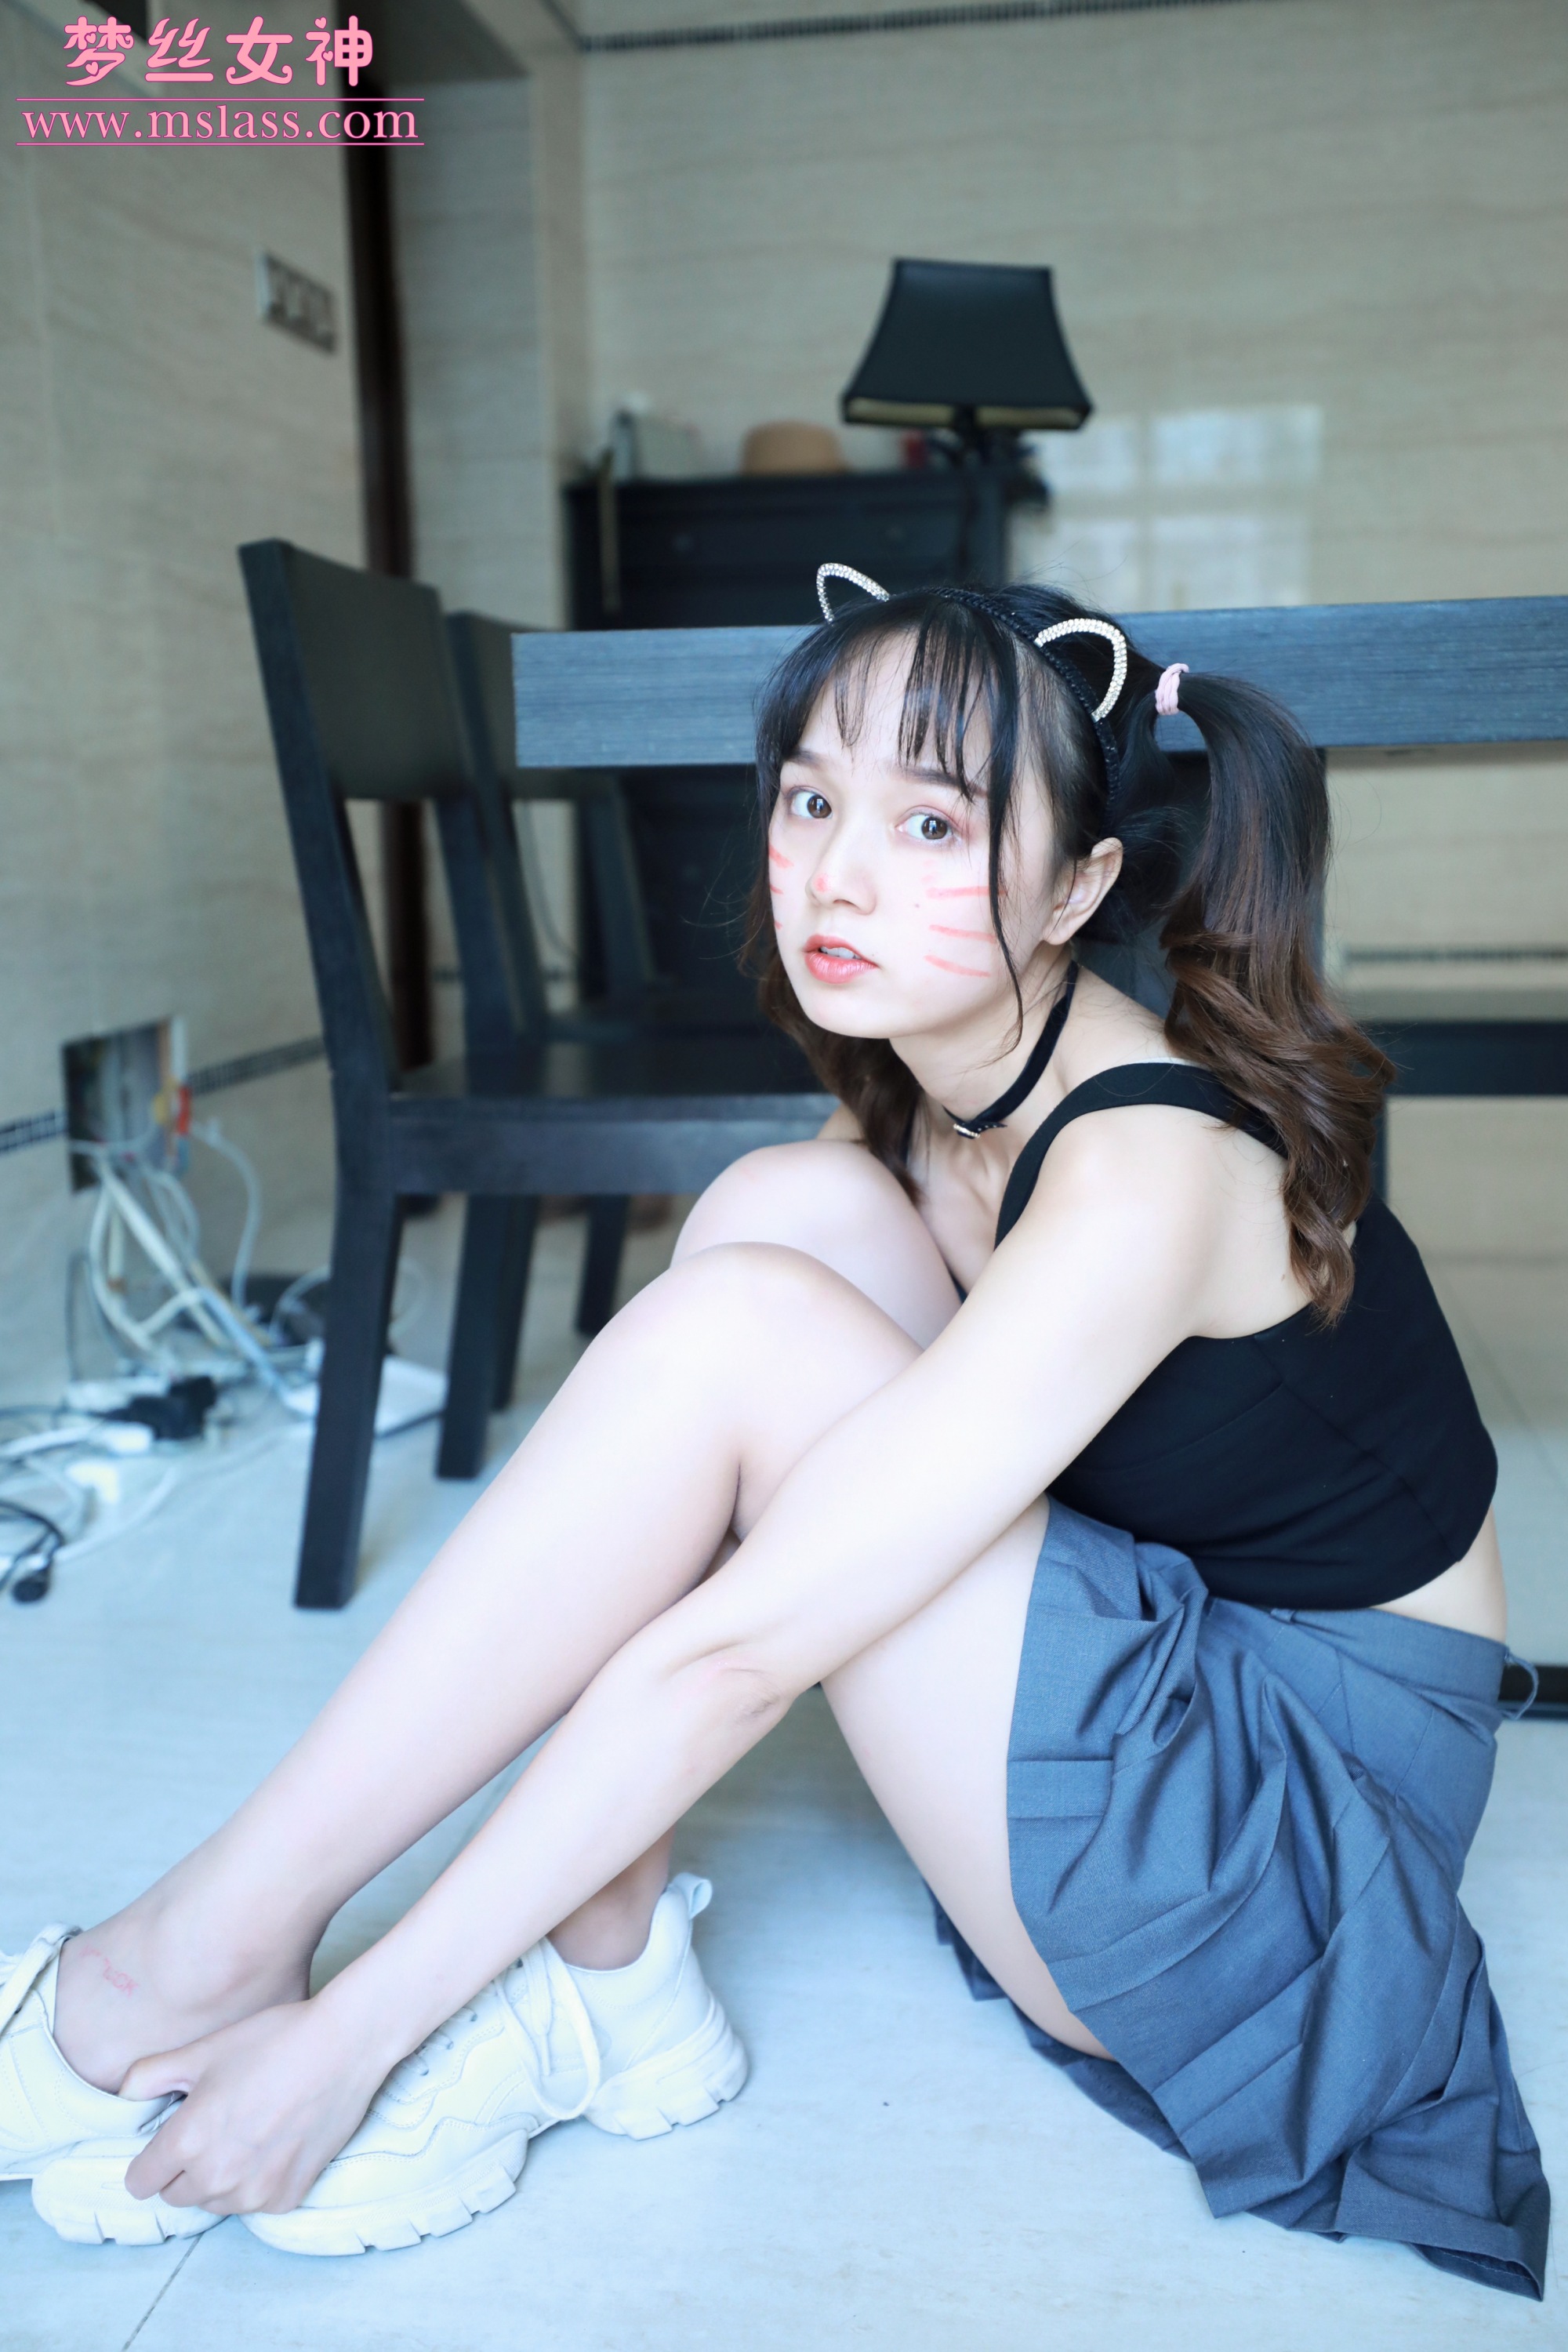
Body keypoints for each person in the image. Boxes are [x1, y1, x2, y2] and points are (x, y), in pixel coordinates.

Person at [0, 569, 1548, 2296]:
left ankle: (193, 1966)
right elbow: (691, 1523)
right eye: (811, 801)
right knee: (778, 1217)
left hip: (1291, 1855)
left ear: (1079, 887)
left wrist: (353, 2035)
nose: (836, 874)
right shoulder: (939, 1080)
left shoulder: (1141, 1167)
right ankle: (597, 1976)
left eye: (932, 822)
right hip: (1186, 1654)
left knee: (744, 1329)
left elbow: (738, 1647)